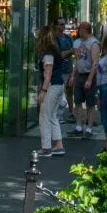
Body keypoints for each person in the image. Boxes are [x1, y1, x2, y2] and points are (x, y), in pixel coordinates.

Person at [35, 25, 66, 157]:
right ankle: (58, 145)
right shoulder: (55, 51)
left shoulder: (47, 54)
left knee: (44, 115)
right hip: (59, 84)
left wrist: (43, 91)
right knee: (52, 115)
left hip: (52, 85)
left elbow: (48, 74)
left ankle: (46, 147)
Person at [69, 21, 99, 139]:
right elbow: (78, 61)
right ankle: (78, 126)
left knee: (90, 103)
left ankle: (89, 128)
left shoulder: (94, 43)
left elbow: (95, 63)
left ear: (85, 30)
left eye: (80, 29)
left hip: (88, 75)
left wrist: (90, 79)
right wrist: (73, 75)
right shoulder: (77, 43)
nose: (78, 31)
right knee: (77, 101)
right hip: (79, 75)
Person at [55, 15, 75, 122]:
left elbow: (72, 53)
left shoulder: (68, 38)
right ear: (56, 25)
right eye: (61, 24)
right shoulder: (54, 39)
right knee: (60, 94)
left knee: (70, 92)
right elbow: (60, 55)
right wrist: (71, 51)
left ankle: (71, 113)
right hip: (60, 70)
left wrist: (72, 71)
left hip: (68, 69)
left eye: (64, 24)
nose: (63, 26)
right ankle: (59, 115)